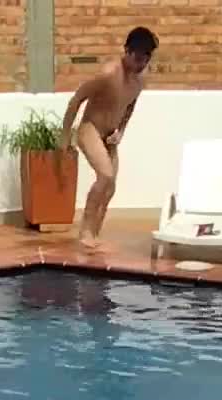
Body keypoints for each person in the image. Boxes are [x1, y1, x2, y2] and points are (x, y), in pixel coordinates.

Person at [58, 26, 158, 249]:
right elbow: (76, 99)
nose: (141, 65)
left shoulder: (140, 78)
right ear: (127, 51)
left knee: (110, 187)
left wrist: (121, 130)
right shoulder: (108, 74)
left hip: (110, 135)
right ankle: (85, 230)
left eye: (146, 59)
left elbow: (130, 105)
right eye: (138, 59)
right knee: (105, 175)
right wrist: (64, 137)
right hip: (90, 129)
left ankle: (95, 233)